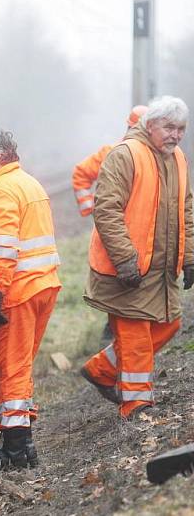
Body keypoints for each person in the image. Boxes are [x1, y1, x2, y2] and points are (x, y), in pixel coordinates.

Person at [80, 96, 194, 421]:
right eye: (169, 127)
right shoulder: (126, 155)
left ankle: (102, 370)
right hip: (128, 269)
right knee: (134, 338)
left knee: (170, 324)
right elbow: (106, 210)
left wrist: (189, 257)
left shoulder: (177, 158)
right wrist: (125, 259)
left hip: (160, 272)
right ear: (150, 125)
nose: (175, 135)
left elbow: (185, 209)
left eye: (181, 129)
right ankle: (135, 407)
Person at [0, 128, 61, 470]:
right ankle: (23, 443)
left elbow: (4, 244)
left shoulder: (1, 190)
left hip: (16, 291)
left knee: (8, 369)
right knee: (18, 365)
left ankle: (14, 452)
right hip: (41, 286)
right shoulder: (27, 183)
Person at [73, 106, 148, 342]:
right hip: (114, 230)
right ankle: (113, 328)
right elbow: (80, 175)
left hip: (140, 229)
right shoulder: (113, 152)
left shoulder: (154, 157)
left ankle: (124, 330)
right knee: (114, 277)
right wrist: (90, 209)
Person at [72, 105, 148, 216]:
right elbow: (81, 173)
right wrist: (90, 206)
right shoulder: (110, 152)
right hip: (114, 225)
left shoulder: (154, 155)